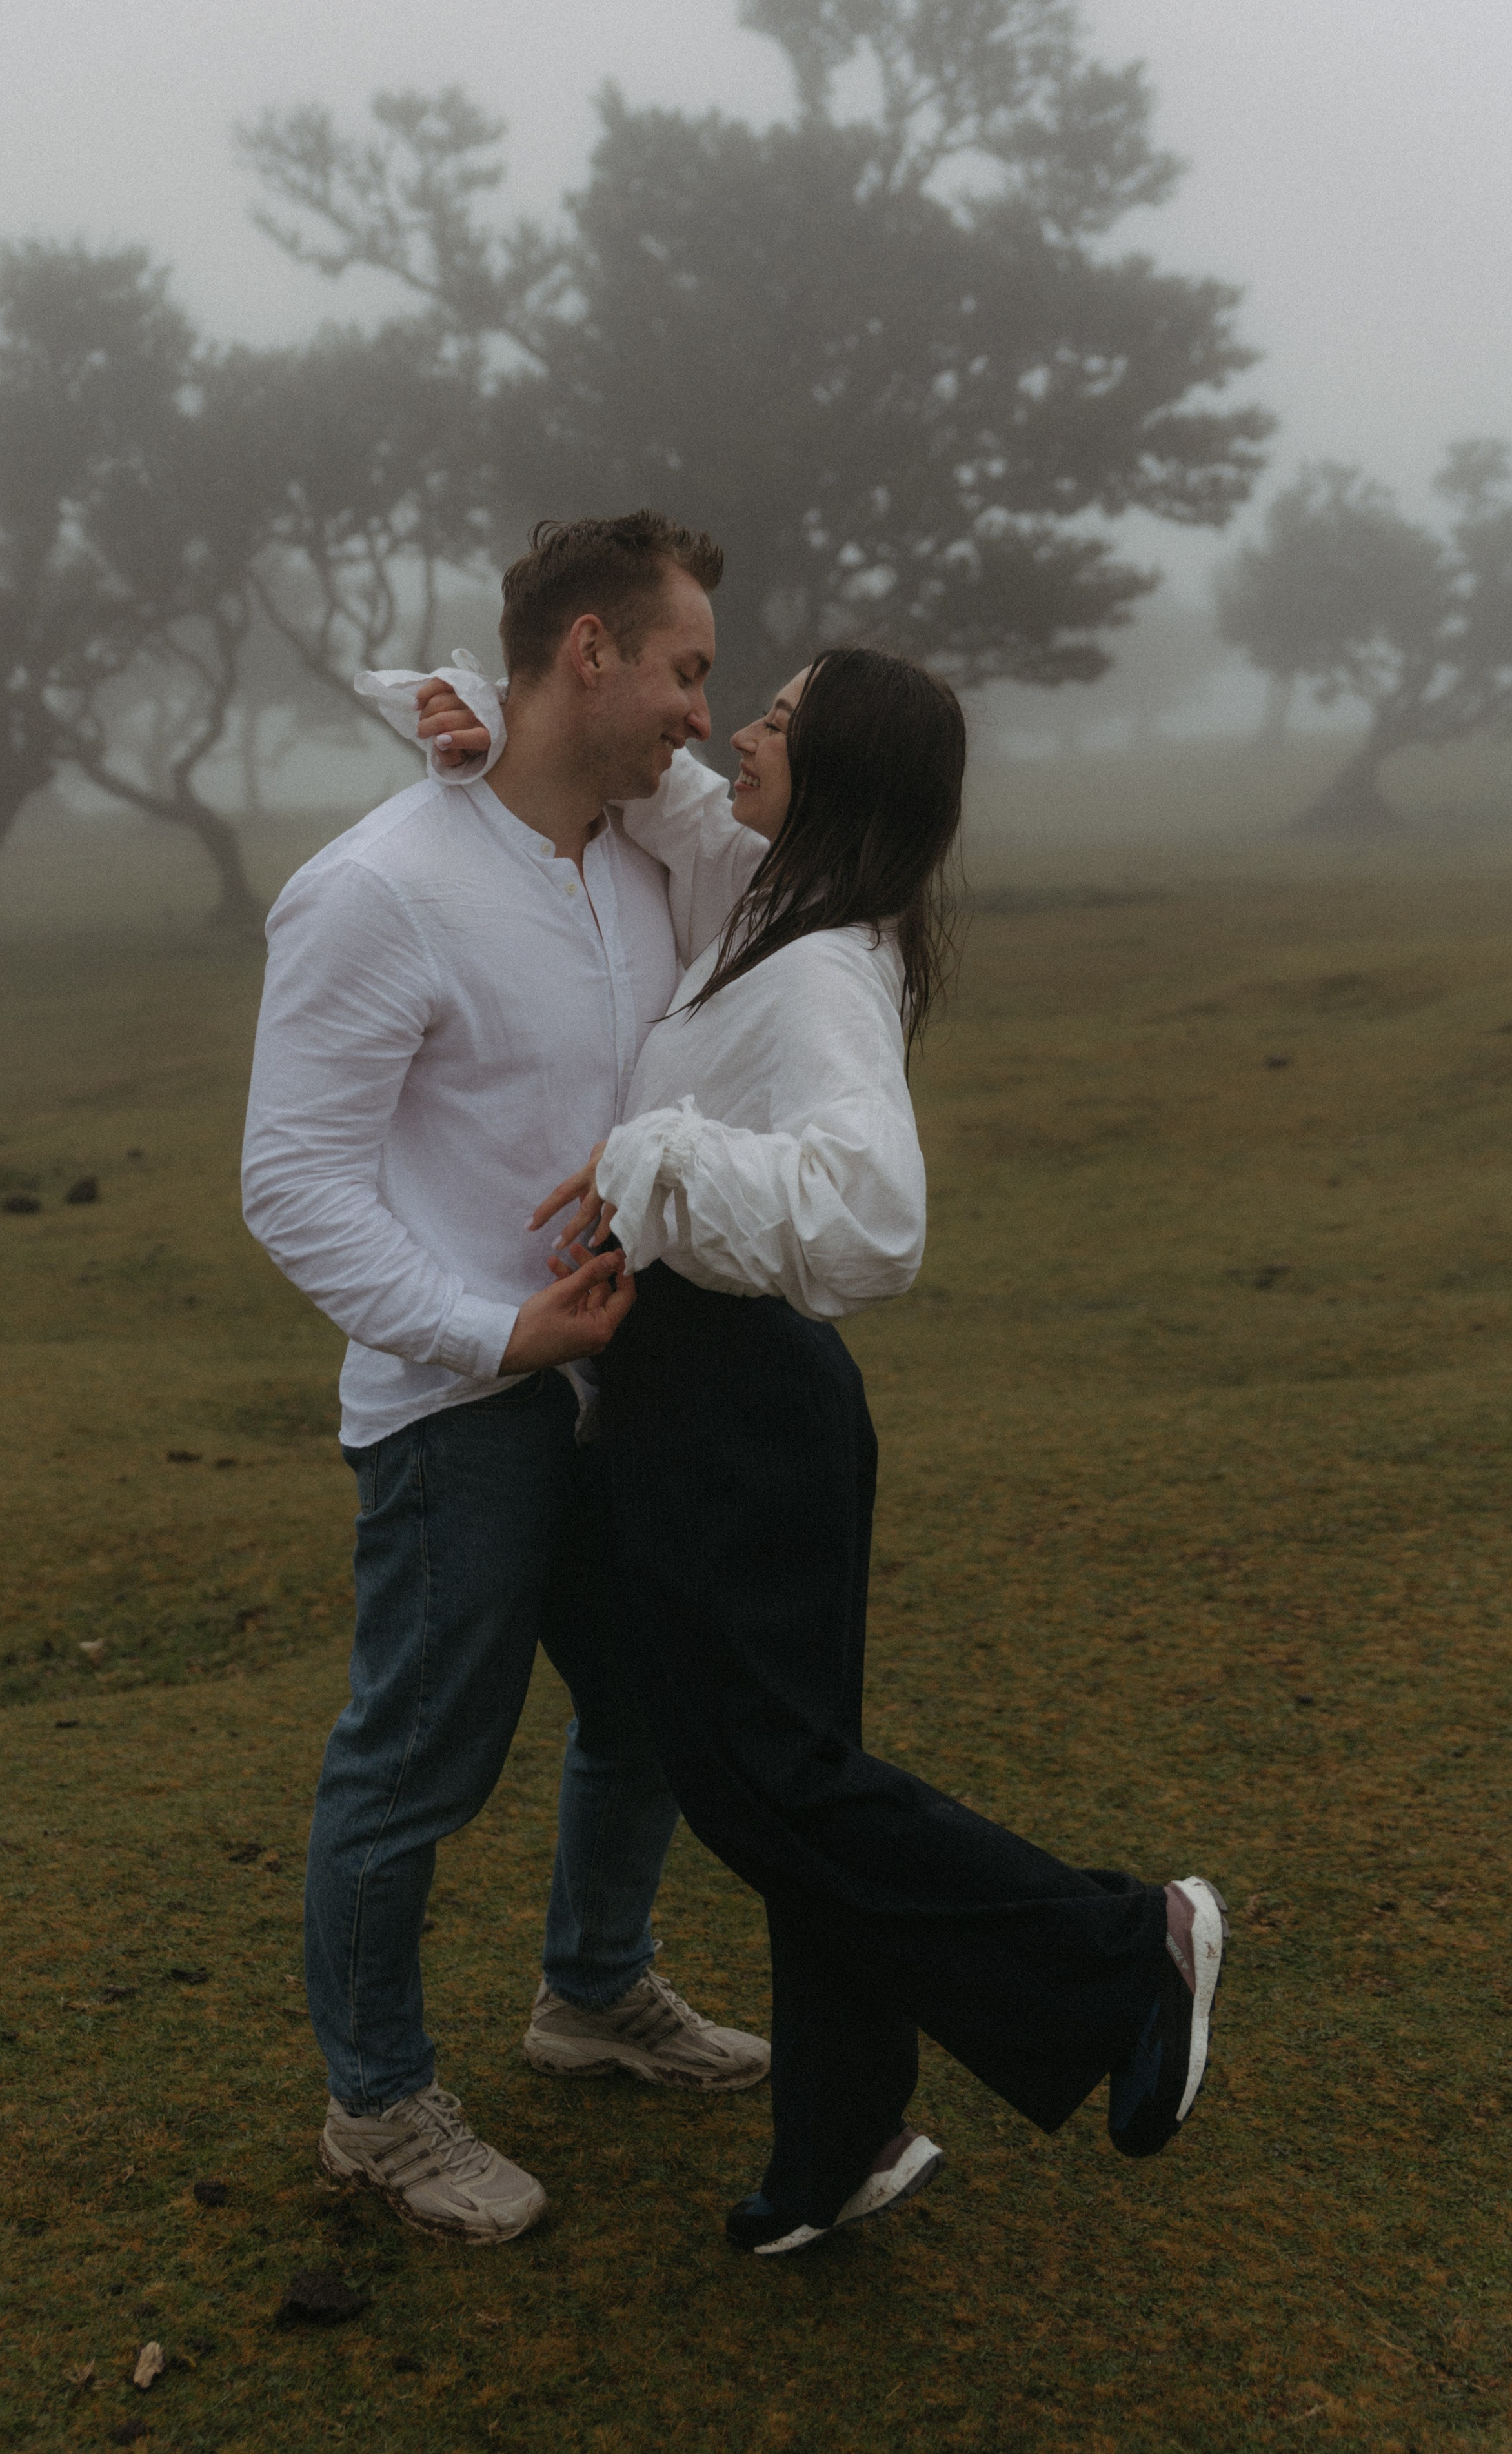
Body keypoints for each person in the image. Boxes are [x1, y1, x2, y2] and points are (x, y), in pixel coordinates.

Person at [523, 645, 1229, 2257]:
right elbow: (674, 801)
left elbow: (873, 1216)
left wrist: (658, 1148)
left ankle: (1126, 1949)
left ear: (837, 772)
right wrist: (477, 711)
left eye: (776, 720)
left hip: (737, 1405)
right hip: (715, 1401)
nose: (736, 736)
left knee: (771, 1787)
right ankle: (839, 2141)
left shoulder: (827, 962)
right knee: (782, 1784)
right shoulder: (769, 900)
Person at [240, 511, 772, 2251]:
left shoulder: (635, 861)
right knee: (417, 1765)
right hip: (463, 1403)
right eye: (687, 668)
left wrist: (490, 706)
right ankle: (378, 2105)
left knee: (651, 1711)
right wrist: (492, 1334)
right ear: (593, 652)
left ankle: (593, 1992)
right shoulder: (377, 885)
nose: (708, 709)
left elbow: (762, 868)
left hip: (627, 1393)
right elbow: (292, 1184)